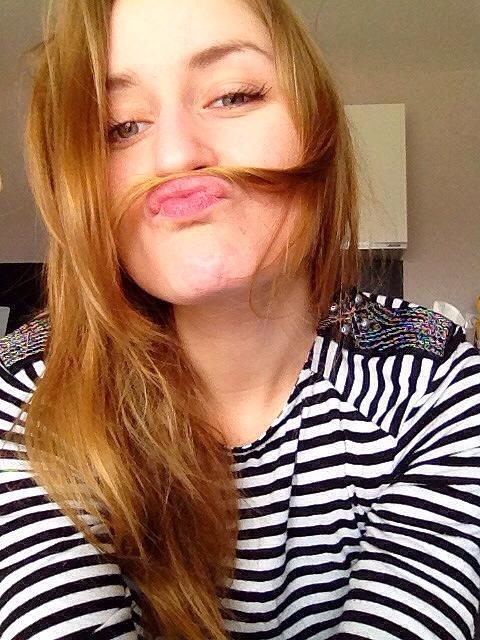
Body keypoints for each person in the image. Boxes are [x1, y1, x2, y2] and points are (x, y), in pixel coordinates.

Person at [0, 0, 479, 638]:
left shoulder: (437, 379)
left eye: (233, 96)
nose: (176, 155)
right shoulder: (25, 397)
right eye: (120, 126)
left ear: (319, 128)